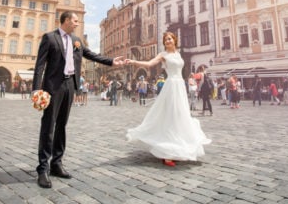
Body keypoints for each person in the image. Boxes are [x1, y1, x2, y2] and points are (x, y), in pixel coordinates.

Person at [32, 11, 124, 188]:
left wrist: (112, 62)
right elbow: (40, 65)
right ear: (66, 21)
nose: (77, 23)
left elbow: (91, 55)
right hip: (52, 87)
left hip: (69, 87)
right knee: (48, 126)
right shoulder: (50, 38)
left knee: (62, 126)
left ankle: (56, 164)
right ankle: (42, 168)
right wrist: (37, 90)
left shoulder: (77, 41)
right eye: (75, 21)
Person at [126, 32, 211, 167]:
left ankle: (178, 147)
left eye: (170, 39)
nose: (167, 41)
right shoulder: (163, 55)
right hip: (171, 85)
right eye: (165, 40)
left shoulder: (178, 54)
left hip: (180, 87)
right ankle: (167, 152)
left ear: (174, 40)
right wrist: (134, 61)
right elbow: (149, 64)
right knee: (170, 115)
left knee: (180, 115)